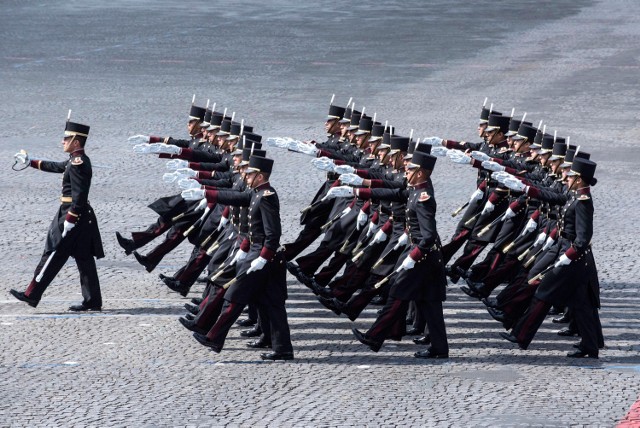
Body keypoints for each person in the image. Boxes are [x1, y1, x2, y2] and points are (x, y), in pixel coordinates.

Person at [182, 155, 294, 360]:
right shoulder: (256, 193)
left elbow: (273, 234)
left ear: (260, 176)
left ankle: (214, 338)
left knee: (233, 297)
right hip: (257, 255)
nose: (246, 177)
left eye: (250, 174)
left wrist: (262, 258)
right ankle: (281, 347)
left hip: (262, 258)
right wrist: (206, 192)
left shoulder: (267, 196)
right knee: (270, 303)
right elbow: (237, 198)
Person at [10, 117, 104, 311]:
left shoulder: (78, 163)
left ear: (76, 142)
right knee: (84, 258)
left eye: (66, 138)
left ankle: (31, 294)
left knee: (53, 252)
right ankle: (92, 301)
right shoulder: (74, 160)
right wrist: (31, 162)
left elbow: (79, 196)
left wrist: (70, 219)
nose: (62, 141)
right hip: (81, 217)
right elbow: (57, 167)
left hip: (72, 215)